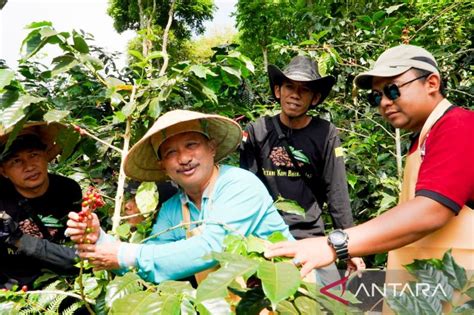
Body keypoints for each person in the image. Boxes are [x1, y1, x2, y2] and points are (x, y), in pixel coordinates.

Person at [265, 45, 474, 279]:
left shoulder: (459, 126)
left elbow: (430, 211)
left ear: (432, 83)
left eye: (393, 90)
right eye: (377, 96)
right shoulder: (423, 138)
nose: (384, 102)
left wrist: (336, 244)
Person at [65, 110, 293, 284]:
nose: (183, 159)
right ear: (162, 166)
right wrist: (99, 238)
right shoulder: (172, 209)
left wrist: (124, 253)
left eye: (191, 145)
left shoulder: (238, 184)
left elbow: (214, 247)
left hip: (287, 294)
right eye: (171, 153)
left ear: (211, 148)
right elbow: (149, 262)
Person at [240, 55, 364, 283]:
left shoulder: (325, 133)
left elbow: (336, 191)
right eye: (289, 86)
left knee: (330, 303)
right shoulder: (257, 131)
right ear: (278, 91)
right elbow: (246, 189)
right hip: (265, 238)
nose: (295, 95)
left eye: (304, 90)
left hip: (310, 239)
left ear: (315, 97)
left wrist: (349, 247)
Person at [0, 122, 82, 289]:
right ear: (3, 172)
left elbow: (79, 254)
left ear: (45, 155)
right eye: (16, 161)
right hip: (16, 293)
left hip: (65, 285)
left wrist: (18, 240)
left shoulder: (68, 190)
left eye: (33, 155)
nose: (29, 166)